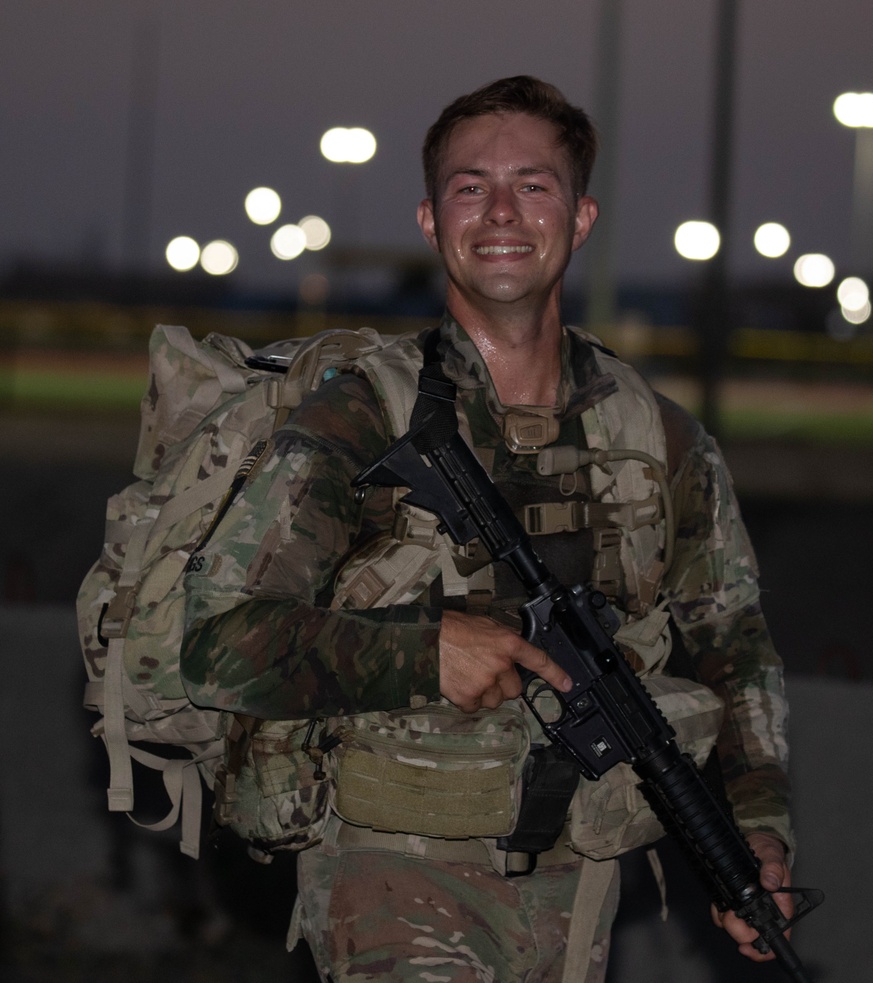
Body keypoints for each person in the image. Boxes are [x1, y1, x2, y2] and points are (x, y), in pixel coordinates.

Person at [181, 75, 795, 982]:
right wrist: (425, 652)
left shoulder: (659, 437)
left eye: (533, 184)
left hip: (579, 884)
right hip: (394, 868)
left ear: (581, 218)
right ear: (432, 221)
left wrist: (757, 834)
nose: (501, 210)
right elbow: (217, 640)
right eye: (470, 186)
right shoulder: (359, 417)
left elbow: (730, 644)